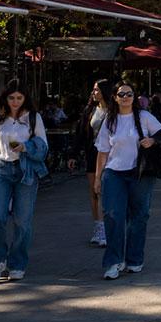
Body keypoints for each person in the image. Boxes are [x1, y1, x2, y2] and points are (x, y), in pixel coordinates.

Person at [0, 80, 48, 282]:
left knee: (22, 221)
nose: (15, 102)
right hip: (3, 170)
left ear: (25, 98)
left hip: (25, 171)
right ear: (5, 99)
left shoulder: (34, 118)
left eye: (19, 98)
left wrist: (25, 147)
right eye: (11, 98)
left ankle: (17, 263)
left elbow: (43, 146)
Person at [95, 81, 161, 280]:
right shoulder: (109, 121)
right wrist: (98, 178)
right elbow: (102, 151)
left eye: (129, 94)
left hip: (140, 172)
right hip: (114, 172)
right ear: (115, 98)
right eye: (121, 94)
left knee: (139, 215)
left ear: (134, 97)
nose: (125, 97)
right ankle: (113, 261)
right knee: (112, 215)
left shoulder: (144, 117)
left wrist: (152, 140)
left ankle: (134, 259)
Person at [68, 79, 115, 247]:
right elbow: (80, 133)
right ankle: (98, 226)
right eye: (93, 90)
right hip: (92, 154)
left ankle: (108, 229)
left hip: (111, 155)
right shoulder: (90, 110)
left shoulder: (115, 110)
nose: (93, 93)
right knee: (95, 191)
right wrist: (73, 154)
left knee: (105, 192)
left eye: (97, 90)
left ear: (105, 91)